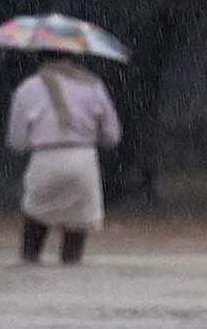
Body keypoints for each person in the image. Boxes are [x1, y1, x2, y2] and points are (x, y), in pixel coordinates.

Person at [6, 55, 121, 264]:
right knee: (77, 228)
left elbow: (17, 141)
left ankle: (31, 266)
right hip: (83, 159)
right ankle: (71, 272)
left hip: (45, 158)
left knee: (35, 221)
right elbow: (112, 135)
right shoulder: (93, 86)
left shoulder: (28, 88)